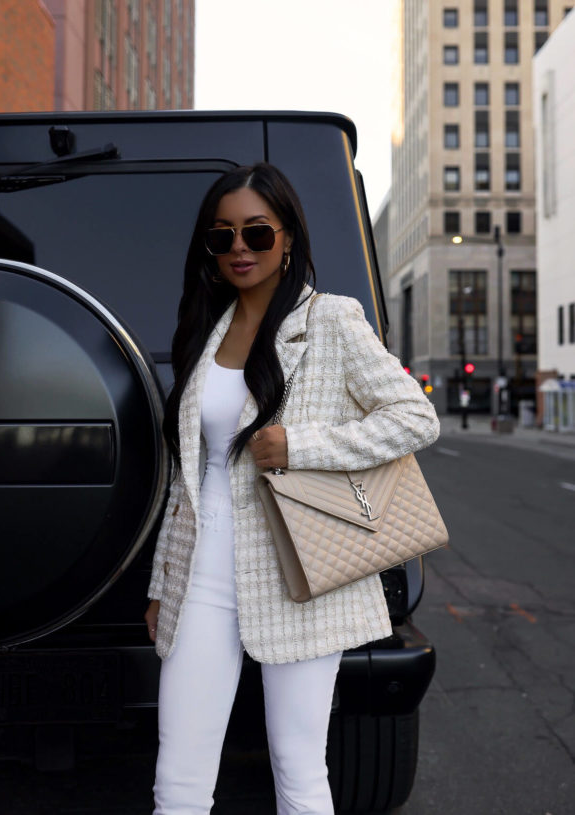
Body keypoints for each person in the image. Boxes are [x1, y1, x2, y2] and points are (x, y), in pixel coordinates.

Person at [145, 163, 439, 815]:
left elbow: (416, 417)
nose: (240, 249)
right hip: (202, 574)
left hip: (300, 567)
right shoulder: (206, 331)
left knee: (298, 768)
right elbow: (189, 473)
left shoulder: (331, 319)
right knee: (179, 776)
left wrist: (303, 445)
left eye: (256, 232)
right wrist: (163, 586)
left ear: (288, 238)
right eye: (222, 238)